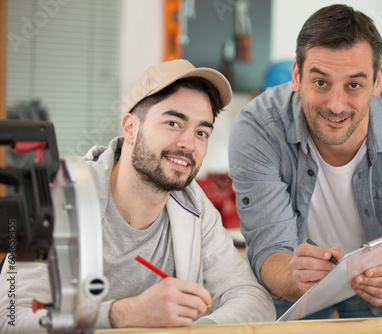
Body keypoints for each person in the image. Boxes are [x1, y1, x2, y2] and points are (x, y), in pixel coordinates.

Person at [228, 4, 382, 334]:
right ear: (296, 75)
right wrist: (293, 274)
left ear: (377, 81)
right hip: (294, 278)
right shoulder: (259, 128)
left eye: (354, 85)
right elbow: (269, 253)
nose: (336, 105)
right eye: (321, 82)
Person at [0, 59, 275, 333]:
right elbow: (10, 319)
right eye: (173, 123)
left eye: (201, 132)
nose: (189, 144)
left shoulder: (194, 205)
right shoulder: (60, 195)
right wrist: (121, 315)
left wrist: (197, 329)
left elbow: (253, 299)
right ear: (131, 129)